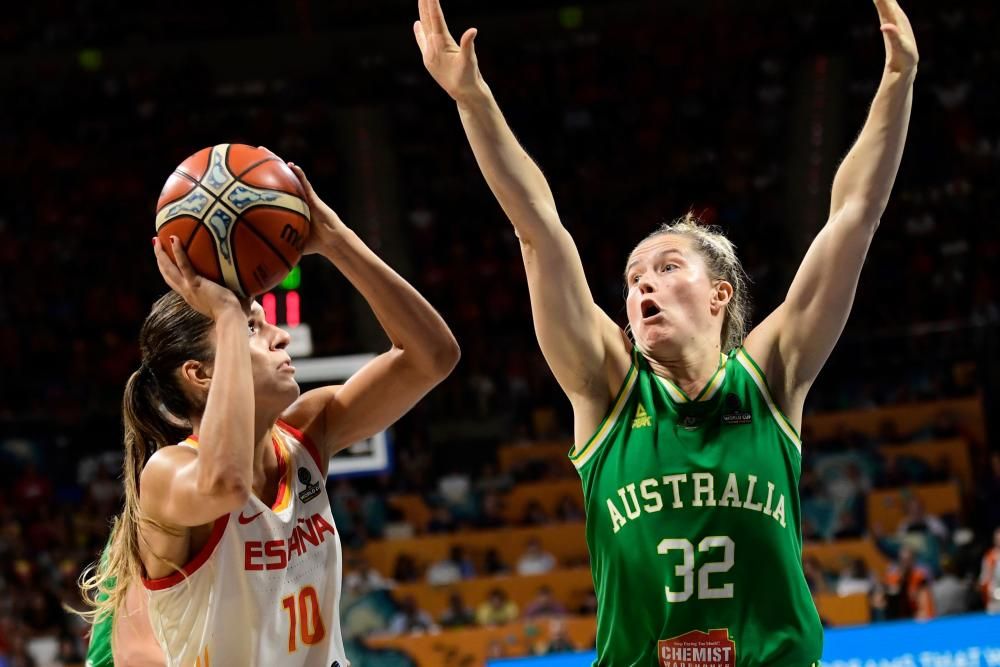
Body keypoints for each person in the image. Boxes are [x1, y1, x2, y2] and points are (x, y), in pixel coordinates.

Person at [413, 0, 917, 662]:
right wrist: (471, 99)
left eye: (665, 266)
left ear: (719, 294)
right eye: (630, 278)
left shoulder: (771, 375)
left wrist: (899, 77)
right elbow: (537, 230)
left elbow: (856, 212)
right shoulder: (605, 389)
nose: (640, 285)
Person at [79, 163, 460, 665]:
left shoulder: (307, 430)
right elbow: (226, 485)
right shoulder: (168, 475)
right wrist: (230, 314)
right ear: (201, 374)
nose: (279, 336)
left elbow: (432, 356)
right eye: (256, 330)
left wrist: (337, 241)